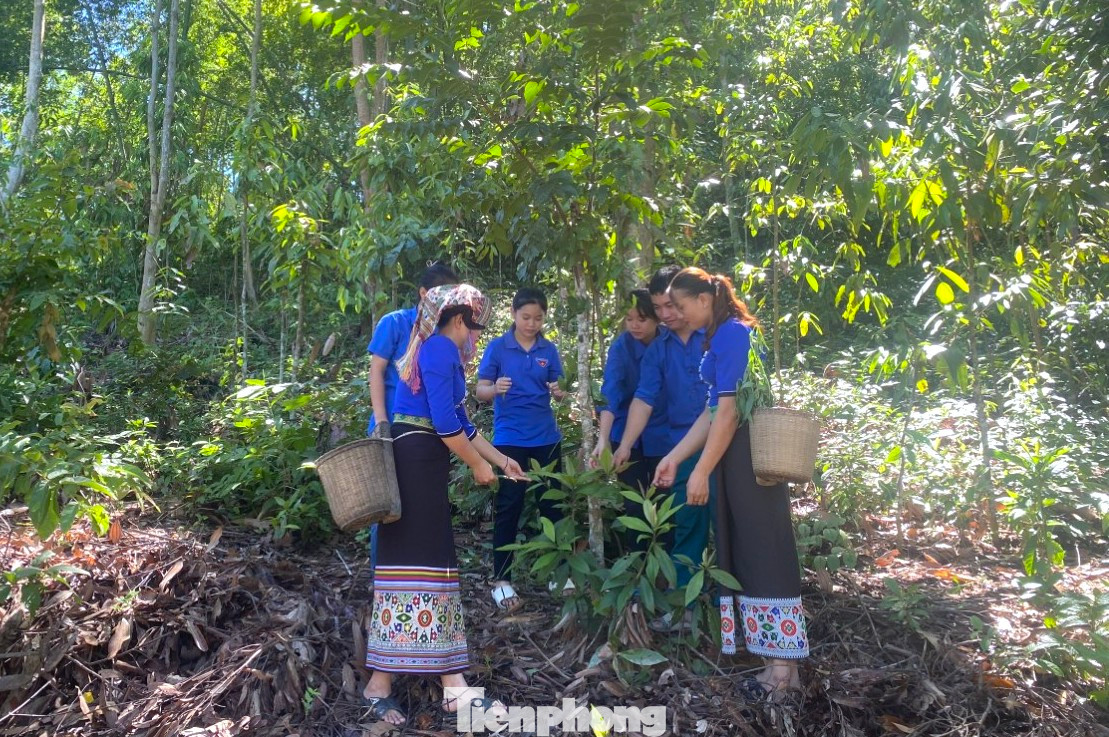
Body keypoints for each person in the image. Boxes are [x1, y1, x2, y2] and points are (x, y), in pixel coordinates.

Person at [362, 283, 529, 726]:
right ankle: (403, 682)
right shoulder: (438, 349)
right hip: (415, 456)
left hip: (423, 460)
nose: (477, 335)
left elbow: (462, 424)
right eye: (475, 325)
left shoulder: (441, 352)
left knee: (428, 562)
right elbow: (445, 426)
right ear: (459, 321)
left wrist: (501, 459)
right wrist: (477, 466)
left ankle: (435, 680)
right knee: (422, 559)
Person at [654, 267, 808, 698]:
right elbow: (710, 411)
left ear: (704, 300)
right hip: (732, 458)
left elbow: (729, 413)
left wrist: (700, 470)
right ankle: (775, 666)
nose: (677, 315)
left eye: (681, 307)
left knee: (763, 550)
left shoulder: (732, 334)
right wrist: (675, 457)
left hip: (746, 459)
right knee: (743, 550)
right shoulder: (721, 335)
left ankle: (783, 671)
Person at [612, 266, 716, 631]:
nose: (667, 315)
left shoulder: (717, 335)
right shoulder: (660, 348)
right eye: (659, 308)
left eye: (671, 306)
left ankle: (731, 608)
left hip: (726, 445)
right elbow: (644, 397)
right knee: (686, 522)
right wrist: (625, 444)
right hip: (681, 448)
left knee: (730, 526)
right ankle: (688, 607)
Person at [476, 287, 567, 611]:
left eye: (538, 318)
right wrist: (494, 388)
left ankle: (560, 572)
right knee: (510, 506)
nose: (532, 323)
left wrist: (559, 392)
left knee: (553, 504)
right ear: (514, 314)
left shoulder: (549, 349)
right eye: (526, 317)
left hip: (545, 435)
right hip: (510, 436)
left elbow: (560, 390)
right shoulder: (499, 348)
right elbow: (480, 389)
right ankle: (501, 580)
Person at [365, 262, 459, 571]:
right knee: (387, 506)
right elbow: (376, 371)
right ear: (423, 293)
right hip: (391, 425)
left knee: (419, 508)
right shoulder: (395, 323)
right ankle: (382, 578)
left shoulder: (444, 334)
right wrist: (381, 421)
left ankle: (417, 578)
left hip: (428, 434)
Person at [591, 288, 669, 552]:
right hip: (626, 435)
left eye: (642, 319)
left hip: (666, 433)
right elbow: (610, 395)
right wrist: (603, 439)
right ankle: (639, 567)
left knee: (666, 501)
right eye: (629, 319)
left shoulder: (671, 342)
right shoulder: (620, 348)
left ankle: (666, 570)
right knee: (634, 504)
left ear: (657, 318)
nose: (634, 325)